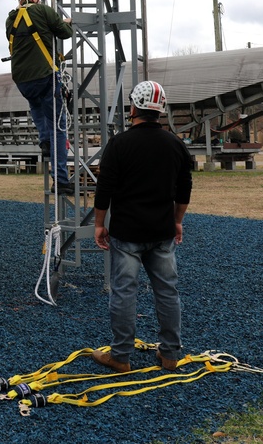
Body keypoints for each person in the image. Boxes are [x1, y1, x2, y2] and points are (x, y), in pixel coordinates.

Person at [91, 81, 193, 373]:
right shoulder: (175, 144)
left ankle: (121, 357)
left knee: (124, 292)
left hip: (127, 232)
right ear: (160, 110)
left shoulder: (120, 144)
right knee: (167, 292)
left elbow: (104, 189)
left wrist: (99, 224)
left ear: (133, 107)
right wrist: (177, 221)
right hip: (162, 232)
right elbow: (184, 188)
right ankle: (170, 354)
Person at [6, 0, 75, 194]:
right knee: (59, 125)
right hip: (44, 75)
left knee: (36, 108)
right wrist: (66, 22)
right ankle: (61, 180)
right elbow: (65, 33)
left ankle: (44, 142)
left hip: (22, 79)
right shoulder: (44, 11)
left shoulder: (11, 18)